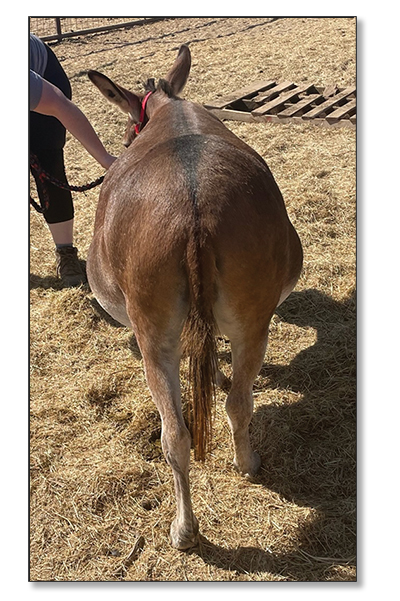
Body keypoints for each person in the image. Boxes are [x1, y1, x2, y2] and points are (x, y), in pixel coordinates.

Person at [30, 34, 117, 286]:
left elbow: (60, 106)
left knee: (47, 161)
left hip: (44, 71)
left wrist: (105, 159)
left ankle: (65, 251)